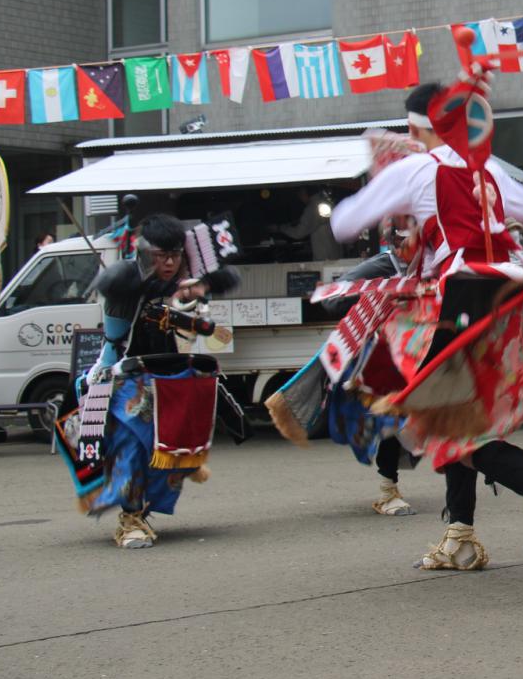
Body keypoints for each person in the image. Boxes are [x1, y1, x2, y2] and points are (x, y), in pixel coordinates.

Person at [319, 75, 523, 572]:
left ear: (418, 126)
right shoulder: (489, 170)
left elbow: (343, 223)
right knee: (460, 416)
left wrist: (395, 182)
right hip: (507, 297)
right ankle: (460, 533)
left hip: (458, 295)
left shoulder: (418, 166)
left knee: (445, 426)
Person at [82, 214, 241, 548]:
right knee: (130, 446)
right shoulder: (129, 277)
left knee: (172, 444)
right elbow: (106, 283)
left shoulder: (180, 281)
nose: (169, 263)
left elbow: (229, 276)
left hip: (167, 372)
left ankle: (141, 510)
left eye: (175, 255)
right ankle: (129, 519)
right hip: (123, 374)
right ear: (145, 252)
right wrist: (149, 277)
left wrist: (202, 285)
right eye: (161, 255)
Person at [274, 185, 339, 262]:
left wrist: (279, 228)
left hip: (325, 259)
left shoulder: (313, 207)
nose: (300, 199)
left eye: (300, 195)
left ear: (304, 192)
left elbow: (298, 233)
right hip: (334, 256)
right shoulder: (327, 203)